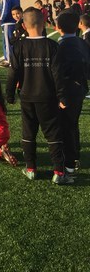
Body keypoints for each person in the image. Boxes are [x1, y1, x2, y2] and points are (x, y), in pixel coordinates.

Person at [5, 7, 70, 184]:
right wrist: (62, 97)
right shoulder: (52, 46)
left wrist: (9, 95)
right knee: (53, 134)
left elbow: (13, 73)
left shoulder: (19, 46)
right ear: (43, 24)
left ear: (24, 26)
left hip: (27, 97)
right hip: (48, 98)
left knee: (28, 133)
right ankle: (59, 172)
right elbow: (58, 74)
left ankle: (31, 168)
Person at [52, 12, 90, 175]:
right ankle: (74, 156)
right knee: (72, 124)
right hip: (79, 89)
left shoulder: (62, 46)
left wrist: (62, 96)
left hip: (68, 92)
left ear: (58, 27)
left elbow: (59, 73)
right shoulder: (81, 43)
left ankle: (69, 162)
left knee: (66, 126)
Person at [0, 0, 20, 66]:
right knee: (14, 41)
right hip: (14, 22)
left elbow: (5, 10)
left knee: (7, 42)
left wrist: (0, 19)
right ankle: (14, 58)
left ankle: (9, 60)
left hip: (8, 23)